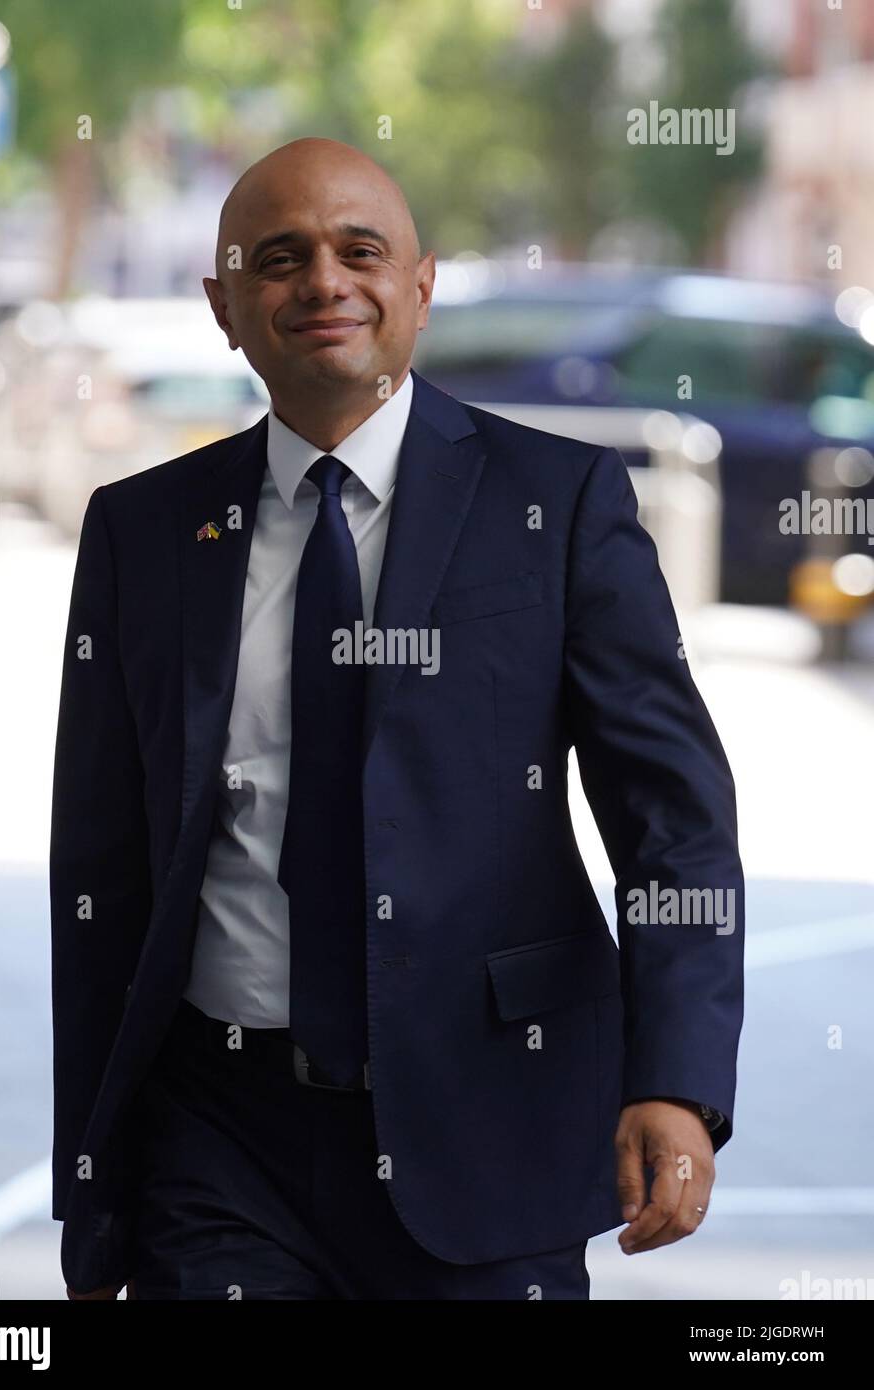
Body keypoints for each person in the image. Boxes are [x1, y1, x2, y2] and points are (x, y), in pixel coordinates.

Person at [50, 137, 744, 1301]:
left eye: (359, 250)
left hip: (486, 1117)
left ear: (420, 286)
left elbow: (671, 812)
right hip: (218, 1141)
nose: (323, 281)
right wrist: (95, 1174)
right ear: (224, 307)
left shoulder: (560, 506)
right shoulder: (144, 532)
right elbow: (102, 871)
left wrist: (676, 1075)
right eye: (279, 259)